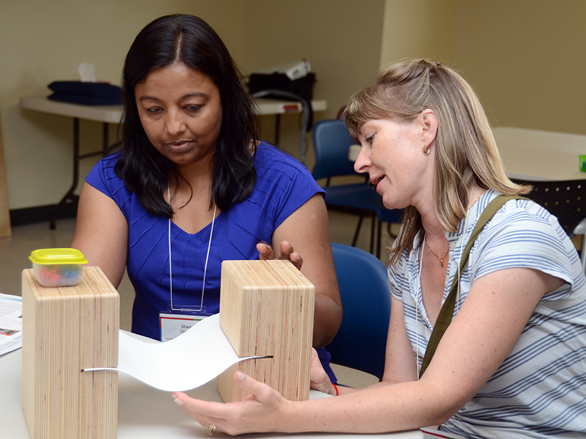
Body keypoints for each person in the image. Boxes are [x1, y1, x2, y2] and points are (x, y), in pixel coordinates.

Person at [172, 60, 586, 438]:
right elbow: (400, 394)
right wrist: (326, 389)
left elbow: (438, 396)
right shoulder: (410, 252)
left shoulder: (518, 233)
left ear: (427, 128)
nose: (359, 161)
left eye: (371, 139)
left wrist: (285, 415)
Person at [70, 14, 342, 380]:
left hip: (264, 381)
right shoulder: (114, 181)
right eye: (153, 109)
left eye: (193, 107)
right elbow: (82, 304)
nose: (173, 126)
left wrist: (286, 299)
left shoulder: (286, 182)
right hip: (160, 382)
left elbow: (327, 326)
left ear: (226, 99)